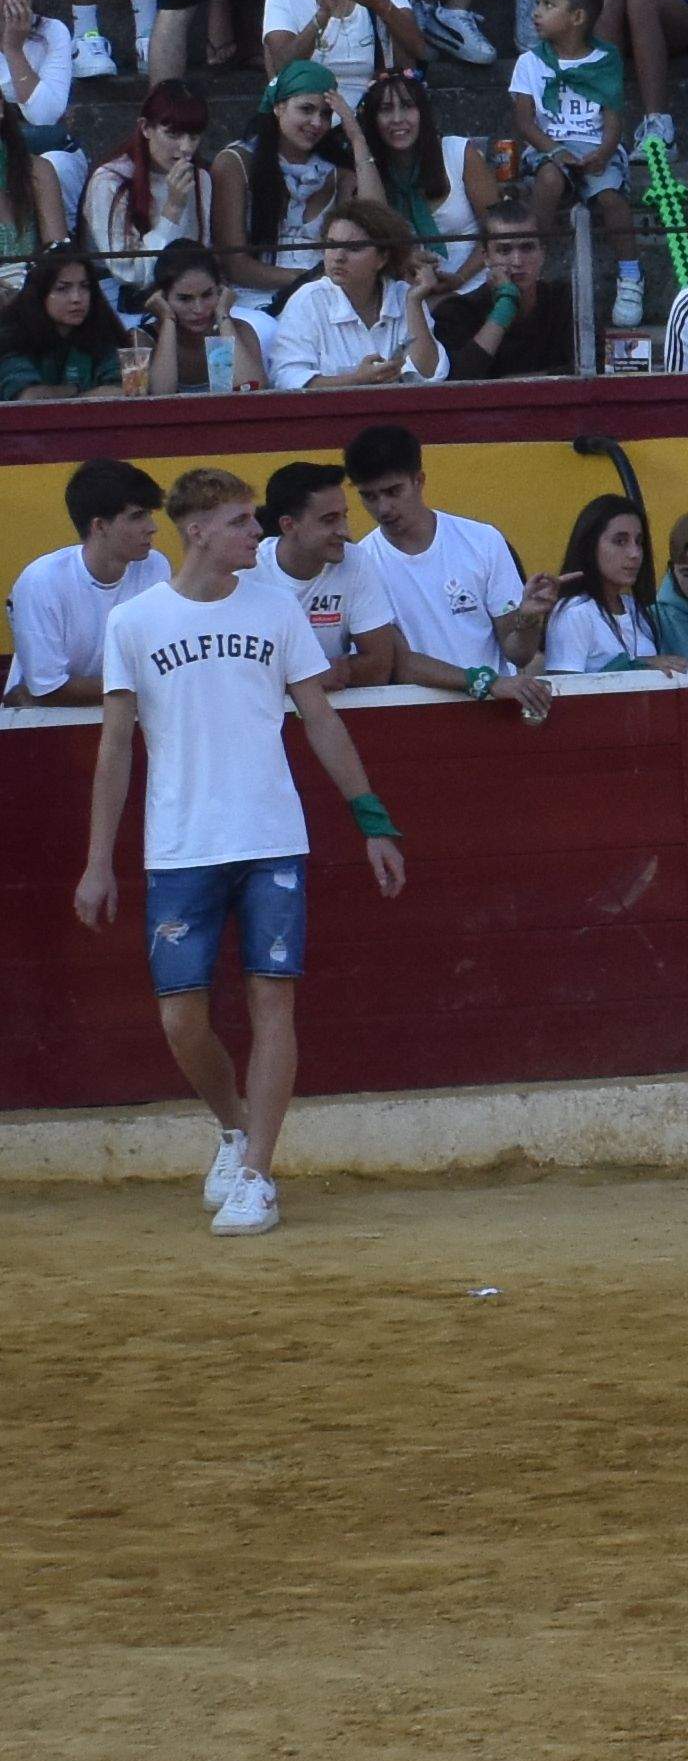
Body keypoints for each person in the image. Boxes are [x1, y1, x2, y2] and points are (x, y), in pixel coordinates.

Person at [76, 464, 407, 1233]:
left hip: (269, 837)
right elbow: (116, 749)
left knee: (272, 1001)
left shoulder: (276, 611)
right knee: (181, 1017)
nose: (256, 532)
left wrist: (372, 819)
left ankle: (258, 1170)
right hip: (182, 844)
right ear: (198, 532)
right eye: (241, 522)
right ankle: (234, 1127)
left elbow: (320, 718)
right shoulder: (134, 623)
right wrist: (98, 859)